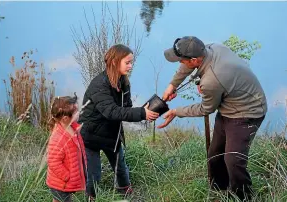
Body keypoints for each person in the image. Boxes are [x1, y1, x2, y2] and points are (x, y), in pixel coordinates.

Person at [158, 36, 267, 201]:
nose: (179, 63)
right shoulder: (212, 47)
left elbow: (206, 108)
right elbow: (186, 67)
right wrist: (172, 85)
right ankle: (219, 192)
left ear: (194, 60)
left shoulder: (212, 80)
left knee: (233, 160)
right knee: (215, 154)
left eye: (181, 60)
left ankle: (243, 197)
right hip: (228, 106)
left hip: (248, 113)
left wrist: (176, 111)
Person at [78, 44, 159, 201]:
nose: (130, 66)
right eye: (127, 62)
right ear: (115, 62)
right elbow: (112, 112)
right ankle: (91, 198)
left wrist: (146, 110)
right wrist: (142, 113)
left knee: (121, 169)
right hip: (90, 138)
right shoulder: (98, 85)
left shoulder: (124, 83)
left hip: (111, 136)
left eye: (131, 62)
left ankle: (126, 193)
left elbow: (126, 108)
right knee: (94, 175)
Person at [46, 95, 87, 202]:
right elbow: (53, 162)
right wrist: (68, 177)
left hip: (65, 183)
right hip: (61, 184)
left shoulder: (72, 126)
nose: (79, 113)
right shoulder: (57, 139)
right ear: (65, 118)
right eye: (76, 112)